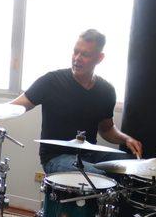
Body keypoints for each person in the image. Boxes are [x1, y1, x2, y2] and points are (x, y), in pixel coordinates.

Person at [11, 29, 143, 174]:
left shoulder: (106, 90)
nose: (77, 58)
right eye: (75, 52)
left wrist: (126, 139)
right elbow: (15, 106)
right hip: (56, 158)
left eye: (85, 54)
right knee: (98, 175)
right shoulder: (52, 81)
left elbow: (106, 129)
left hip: (90, 154)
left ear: (99, 58)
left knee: (133, 166)